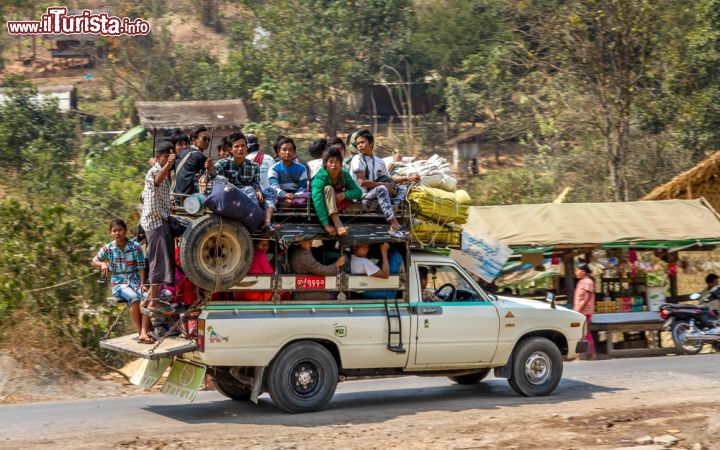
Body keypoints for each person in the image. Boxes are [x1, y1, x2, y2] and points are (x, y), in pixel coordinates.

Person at [92, 218, 151, 342]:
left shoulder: (135, 247)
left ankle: (145, 331)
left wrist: (142, 284)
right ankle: (140, 331)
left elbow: (141, 268)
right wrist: (102, 264)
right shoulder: (108, 248)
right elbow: (94, 261)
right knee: (133, 299)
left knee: (147, 297)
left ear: (125, 231)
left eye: (120, 230)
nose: (117, 233)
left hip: (135, 280)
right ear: (111, 233)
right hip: (119, 282)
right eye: (114, 231)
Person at [139, 141, 176, 333]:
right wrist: (168, 165)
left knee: (162, 259)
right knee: (156, 261)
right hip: (154, 223)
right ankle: (153, 301)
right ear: (161, 157)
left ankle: (152, 300)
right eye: (166, 157)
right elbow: (157, 181)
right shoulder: (155, 172)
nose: (169, 161)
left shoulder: (166, 175)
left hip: (162, 221)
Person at [208, 132, 279, 230]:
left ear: (247, 148)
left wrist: (258, 190)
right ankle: (258, 220)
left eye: (243, 146)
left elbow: (255, 183)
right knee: (249, 189)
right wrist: (210, 170)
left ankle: (267, 222)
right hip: (230, 197)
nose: (240, 149)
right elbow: (212, 175)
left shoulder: (254, 166)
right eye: (236, 146)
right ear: (231, 150)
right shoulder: (223, 163)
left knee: (271, 191)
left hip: (249, 198)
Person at [350, 129, 409, 238]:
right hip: (363, 199)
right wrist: (385, 186)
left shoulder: (380, 162)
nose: (360, 146)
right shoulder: (357, 159)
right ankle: (394, 224)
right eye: (358, 143)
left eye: (362, 142)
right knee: (381, 188)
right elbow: (362, 182)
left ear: (371, 143)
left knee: (403, 188)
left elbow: (388, 179)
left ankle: (392, 207)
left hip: (378, 200)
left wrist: (407, 178)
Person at [311, 147, 362, 237]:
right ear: (325, 164)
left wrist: (344, 195)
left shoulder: (344, 174)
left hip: (339, 204)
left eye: (337, 162)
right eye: (331, 162)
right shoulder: (320, 178)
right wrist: (326, 225)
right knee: (328, 188)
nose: (334, 165)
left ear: (341, 164)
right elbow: (317, 201)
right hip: (321, 207)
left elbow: (358, 192)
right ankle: (338, 225)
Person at [268, 136, 309, 207]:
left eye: (290, 150)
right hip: (280, 197)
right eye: (284, 149)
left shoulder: (302, 168)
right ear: (278, 152)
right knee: (270, 192)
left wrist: (293, 196)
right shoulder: (273, 169)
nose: (287, 152)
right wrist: (285, 195)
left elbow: (303, 188)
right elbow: (274, 187)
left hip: (296, 197)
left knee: (307, 194)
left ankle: (291, 203)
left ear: (294, 152)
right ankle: (289, 203)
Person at [172, 126, 213, 197]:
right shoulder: (199, 156)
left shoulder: (179, 154)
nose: (207, 142)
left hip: (177, 196)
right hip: (191, 199)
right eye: (204, 139)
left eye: (209, 139)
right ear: (194, 140)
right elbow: (211, 177)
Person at [573, 263, 596, 360]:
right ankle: (585, 354)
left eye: (577, 270)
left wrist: (578, 309)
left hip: (584, 312)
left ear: (583, 272)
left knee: (584, 333)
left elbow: (586, 298)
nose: (576, 272)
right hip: (580, 312)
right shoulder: (582, 282)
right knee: (582, 333)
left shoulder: (587, 282)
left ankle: (587, 355)